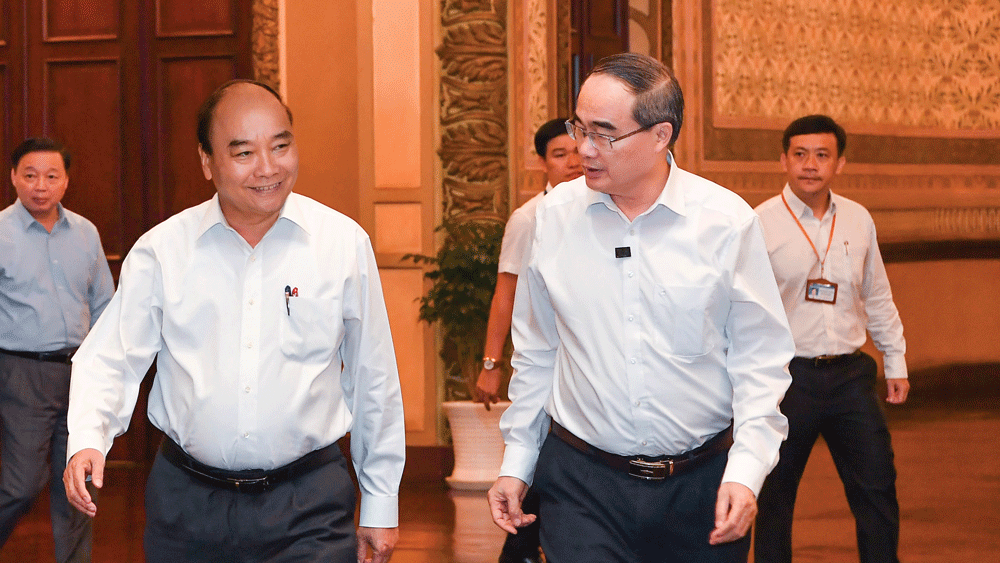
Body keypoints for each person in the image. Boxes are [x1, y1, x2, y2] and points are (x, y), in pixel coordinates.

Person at [62, 80, 405, 563]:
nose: (268, 168)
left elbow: (374, 377)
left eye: (281, 146)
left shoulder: (341, 244)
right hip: (187, 505)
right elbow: (111, 359)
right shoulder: (163, 250)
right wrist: (89, 440)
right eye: (244, 152)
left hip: (308, 503)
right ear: (207, 161)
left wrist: (381, 500)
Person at [487, 52, 795, 563]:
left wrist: (746, 471)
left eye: (604, 134)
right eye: (579, 128)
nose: (585, 148)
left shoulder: (725, 223)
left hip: (700, 487)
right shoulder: (553, 219)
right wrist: (517, 461)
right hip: (581, 484)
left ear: (660, 135)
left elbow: (759, 362)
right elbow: (538, 351)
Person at [753, 115, 909, 563]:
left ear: (839, 163)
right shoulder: (760, 223)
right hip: (787, 379)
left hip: (849, 378)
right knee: (775, 496)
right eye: (799, 154)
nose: (809, 165)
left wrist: (894, 360)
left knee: (878, 487)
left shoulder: (858, 219)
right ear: (783, 159)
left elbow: (877, 293)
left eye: (822, 155)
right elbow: (741, 311)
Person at [0, 138, 114, 562]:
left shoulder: (85, 233)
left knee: (80, 483)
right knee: (21, 483)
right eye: (30, 175)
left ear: (66, 181)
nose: (40, 186)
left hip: (81, 373)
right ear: (14, 178)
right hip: (21, 373)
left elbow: (104, 302)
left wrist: (104, 368)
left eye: (51, 176)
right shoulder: (1, 233)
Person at [474, 118, 581, 563]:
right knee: (536, 475)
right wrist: (491, 364)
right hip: (547, 370)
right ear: (542, 163)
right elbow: (507, 293)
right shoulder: (529, 219)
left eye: (579, 150)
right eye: (560, 154)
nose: (574, 161)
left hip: (585, 375)